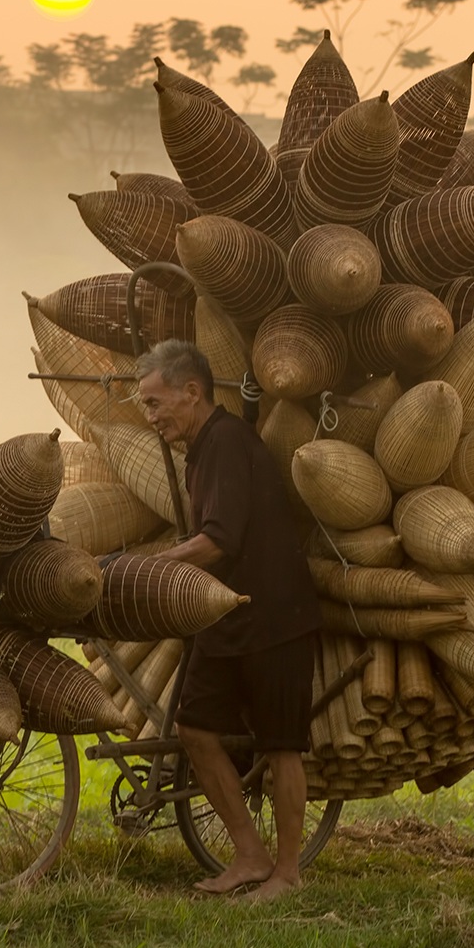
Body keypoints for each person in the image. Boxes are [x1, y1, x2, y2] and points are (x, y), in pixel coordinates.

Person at [134, 339, 321, 901]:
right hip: (227, 617)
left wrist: (152, 569)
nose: (150, 417)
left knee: (281, 746)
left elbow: (219, 540)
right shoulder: (204, 448)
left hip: (274, 616)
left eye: (154, 402)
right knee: (194, 727)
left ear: (192, 392)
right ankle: (249, 853)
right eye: (144, 406)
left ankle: (287, 874)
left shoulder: (225, 442)